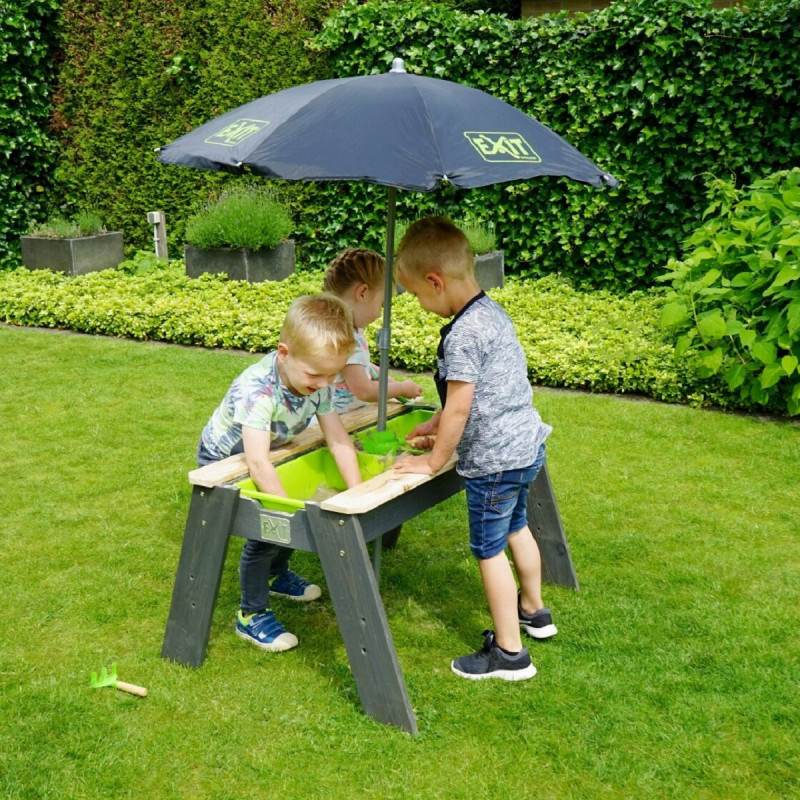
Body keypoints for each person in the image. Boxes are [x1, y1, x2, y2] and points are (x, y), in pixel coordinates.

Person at [392, 217, 557, 681]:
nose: (422, 306)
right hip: (526, 449)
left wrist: (432, 460)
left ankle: (510, 654)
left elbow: (462, 409)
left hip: (494, 463)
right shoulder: (492, 314)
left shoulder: (462, 335)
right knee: (517, 527)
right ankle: (535, 612)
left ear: (435, 282)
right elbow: (482, 395)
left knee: (488, 549)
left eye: (418, 296)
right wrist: (432, 423)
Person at [197, 293, 364, 653]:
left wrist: (357, 495)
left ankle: (276, 575)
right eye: (316, 374)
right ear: (284, 353)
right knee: (268, 529)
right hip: (225, 462)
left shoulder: (317, 382)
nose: (324, 383)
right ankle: (250, 615)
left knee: (287, 513)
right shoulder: (257, 390)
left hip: (268, 451)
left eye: (332, 374)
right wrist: (286, 514)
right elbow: (256, 463)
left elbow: (337, 439)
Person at [322, 247, 423, 414]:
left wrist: (383, 377)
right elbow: (364, 390)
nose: (380, 313)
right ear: (362, 293)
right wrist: (401, 388)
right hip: (338, 423)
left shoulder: (344, 329)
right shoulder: (344, 338)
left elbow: (360, 366)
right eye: (381, 304)